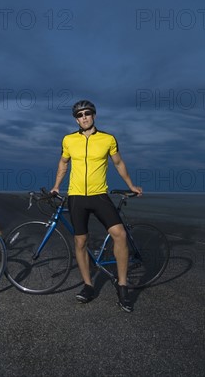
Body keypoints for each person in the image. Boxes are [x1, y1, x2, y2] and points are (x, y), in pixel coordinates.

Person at [50, 100, 142, 312]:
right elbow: (63, 163)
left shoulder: (107, 139)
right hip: (76, 197)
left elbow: (118, 163)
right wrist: (56, 186)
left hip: (99, 195)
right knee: (81, 242)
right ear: (76, 119)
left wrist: (131, 185)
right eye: (80, 115)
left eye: (87, 113)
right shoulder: (68, 140)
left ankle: (122, 286)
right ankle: (88, 286)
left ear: (94, 115)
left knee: (120, 234)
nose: (84, 117)